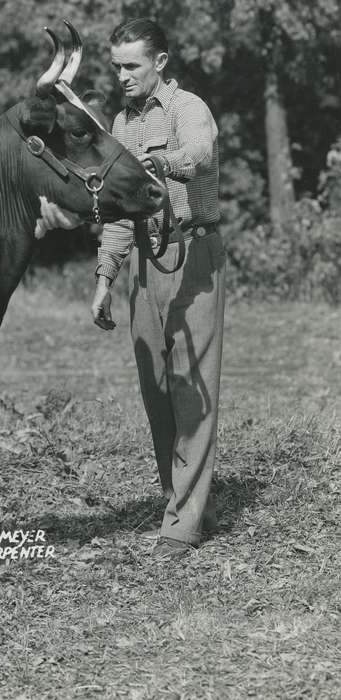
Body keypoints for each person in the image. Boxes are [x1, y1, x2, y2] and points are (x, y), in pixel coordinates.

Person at [91, 18, 223, 558]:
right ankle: (182, 501)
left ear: (160, 62)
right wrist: (106, 278)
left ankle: (182, 526)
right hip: (145, 263)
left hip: (194, 256)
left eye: (132, 65)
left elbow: (200, 153)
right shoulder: (122, 123)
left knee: (192, 391)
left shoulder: (188, 108)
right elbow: (120, 213)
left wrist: (163, 162)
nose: (121, 76)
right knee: (158, 391)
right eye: (116, 66)